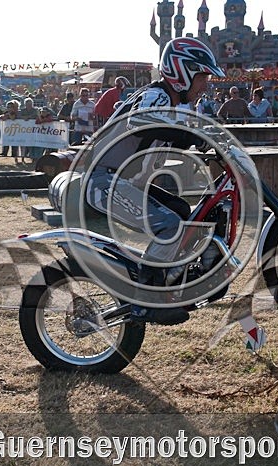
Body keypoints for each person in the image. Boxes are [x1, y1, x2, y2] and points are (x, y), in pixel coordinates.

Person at [83, 37, 225, 325]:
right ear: (182, 73)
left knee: (187, 213)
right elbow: (143, 121)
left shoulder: (175, 105)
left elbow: (177, 134)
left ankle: (186, 276)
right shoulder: (155, 95)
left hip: (125, 183)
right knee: (169, 226)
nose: (205, 85)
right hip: (103, 182)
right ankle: (147, 299)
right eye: (202, 76)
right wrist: (194, 136)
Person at [18, 97, 39, 164]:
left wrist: (28, 117)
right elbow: (19, 116)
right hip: (23, 130)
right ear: (25, 104)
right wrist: (24, 117)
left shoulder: (35, 110)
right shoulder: (22, 110)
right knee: (23, 144)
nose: (29, 105)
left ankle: (33, 157)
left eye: (30, 104)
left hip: (33, 130)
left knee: (32, 144)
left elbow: (36, 115)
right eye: (27, 104)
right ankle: (22, 157)